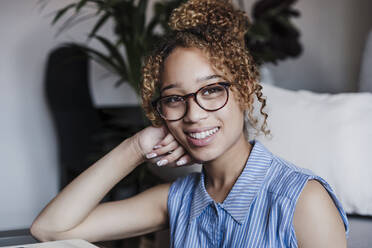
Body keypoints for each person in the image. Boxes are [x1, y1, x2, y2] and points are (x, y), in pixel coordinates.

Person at [31, 0, 349, 247]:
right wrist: (137, 147)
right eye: (174, 98)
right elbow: (50, 228)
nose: (193, 114)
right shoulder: (177, 199)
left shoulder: (303, 200)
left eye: (211, 90)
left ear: (245, 91)